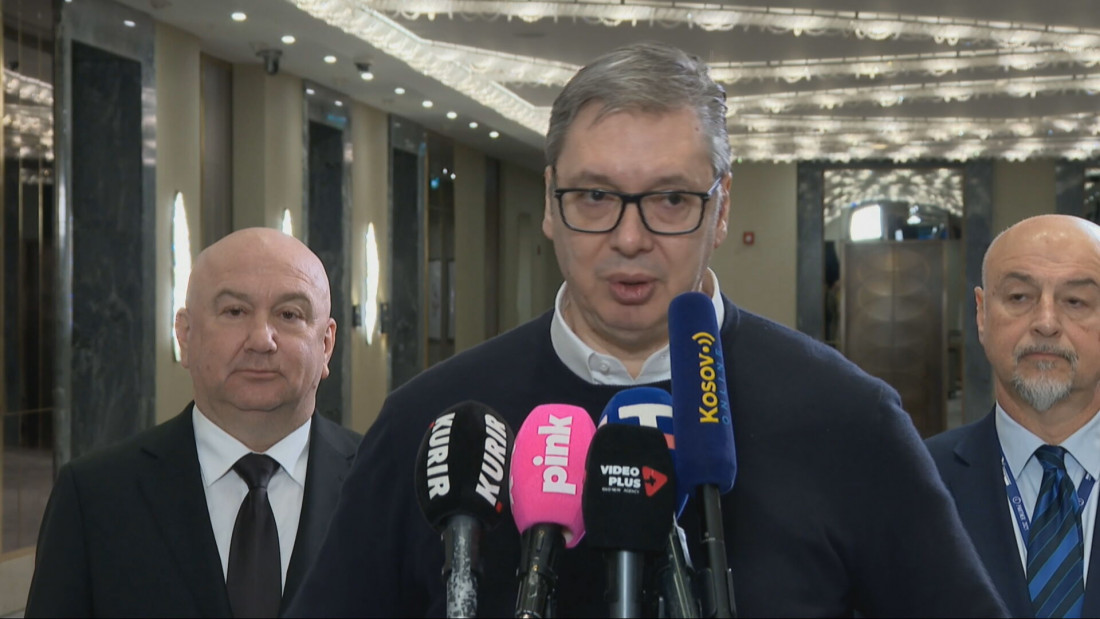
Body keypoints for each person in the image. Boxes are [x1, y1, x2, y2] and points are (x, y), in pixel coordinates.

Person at [288, 42, 1005, 617]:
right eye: (595, 196)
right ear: (550, 202)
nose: (629, 238)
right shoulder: (430, 422)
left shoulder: (851, 420)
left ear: (721, 209)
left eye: (670, 200)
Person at [25, 228, 361, 617]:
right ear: (185, 336)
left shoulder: (388, 483)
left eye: (289, 314)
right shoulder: (93, 497)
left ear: (326, 344)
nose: (261, 339)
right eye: (235, 311)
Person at [927, 214, 1100, 617]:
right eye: (1019, 297)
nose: (1046, 323)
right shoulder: (917, 481)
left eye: (1076, 301)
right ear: (982, 315)